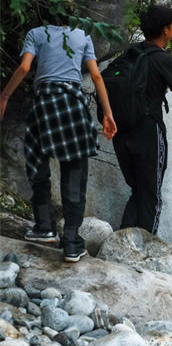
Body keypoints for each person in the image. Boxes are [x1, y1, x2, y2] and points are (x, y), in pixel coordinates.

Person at [0, 17, 117, 262]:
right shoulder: (82, 35)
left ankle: (45, 227)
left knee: (37, 164)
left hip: (45, 103)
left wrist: (4, 96)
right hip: (73, 105)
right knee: (75, 174)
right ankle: (72, 243)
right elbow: (96, 76)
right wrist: (107, 113)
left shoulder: (36, 33)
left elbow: (23, 68)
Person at [112, 6, 172, 234]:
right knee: (151, 196)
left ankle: (121, 241)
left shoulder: (130, 54)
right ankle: (145, 249)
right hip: (147, 132)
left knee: (138, 190)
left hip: (121, 131)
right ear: (166, 30)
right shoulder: (164, 60)